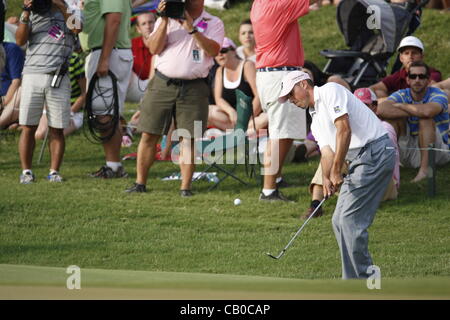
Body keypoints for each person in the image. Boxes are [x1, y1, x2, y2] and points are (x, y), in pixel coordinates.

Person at [279, 70, 395, 279]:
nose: (291, 100)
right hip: (362, 159)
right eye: (287, 98)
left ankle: (363, 281)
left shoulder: (331, 90)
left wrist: (336, 170)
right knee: (338, 220)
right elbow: (327, 153)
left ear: (304, 84)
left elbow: (344, 130)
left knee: (350, 221)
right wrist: (325, 178)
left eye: (291, 94)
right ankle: (353, 280)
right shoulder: (315, 118)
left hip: (375, 153)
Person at [125, 0, 224, 196]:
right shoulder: (167, 20)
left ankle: (185, 187)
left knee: (189, 138)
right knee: (148, 133)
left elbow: (213, 50)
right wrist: (164, 19)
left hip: (194, 87)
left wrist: (191, 28)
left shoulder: (213, 22)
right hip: (163, 83)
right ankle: (140, 183)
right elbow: (153, 48)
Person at [303, 87, 401, 219]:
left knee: (346, 218)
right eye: (357, 103)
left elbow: (378, 159)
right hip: (355, 170)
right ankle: (316, 205)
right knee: (331, 158)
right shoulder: (320, 121)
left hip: (384, 181)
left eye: (365, 104)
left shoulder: (383, 127)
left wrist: (337, 170)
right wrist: (328, 176)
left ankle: (325, 203)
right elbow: (328, 152)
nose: (360, 107)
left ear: (375, 106)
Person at [251, 0, 314, 201]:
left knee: (283, 133)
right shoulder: (276, 4)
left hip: (276, 72)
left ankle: (275, 179)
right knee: (278, 135)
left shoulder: (261, 3)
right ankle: (268, 191)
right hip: (279, 74)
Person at [16, 0, 82, 184]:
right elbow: (20, 40)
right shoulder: (34, 11)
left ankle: (54, 172)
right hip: (32, 74)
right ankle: (26, 171)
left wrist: (61, 5)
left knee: (57, 128)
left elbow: (77, 29)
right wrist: (26, 11)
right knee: (28, 126)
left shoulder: (71, 10)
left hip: (59, 76)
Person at [79, 0, 134, 179]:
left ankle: (114, 166)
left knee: (105, 114)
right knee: (108, 113)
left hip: (109, 53)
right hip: (109, 52)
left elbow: (114, 20)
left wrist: (104, 58)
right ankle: (114, 165)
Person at [377, 61, 450, 183]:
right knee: (392, 121)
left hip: (438, 152)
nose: (417, 80)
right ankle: (388, 169)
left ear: (428, 80)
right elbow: (382, 109)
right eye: (413, 76)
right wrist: (415, 110)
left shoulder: (438, 94)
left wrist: (402, 106)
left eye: (421, 77)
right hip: (410, 150)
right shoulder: (402, 94)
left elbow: (427, 112)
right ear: (408, 80)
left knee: (425, 120)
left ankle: (425, 170)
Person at [207, 37, 261, 132]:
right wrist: (231, 112)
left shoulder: (247, 66)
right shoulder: (220, 70)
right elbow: (218, 99)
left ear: (234, 51)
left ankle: (240, 130)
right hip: (232, 118)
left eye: (223, 50)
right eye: (216, 52)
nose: (219, 55)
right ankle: (240, 131)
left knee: (264, 119)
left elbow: (259, 96)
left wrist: (246, 117)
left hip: (251, 116)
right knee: (209, 111)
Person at [369, 36, 442, 102]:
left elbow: (430, 90)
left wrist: (394, 100)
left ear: (422, 56)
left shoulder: (432, 73)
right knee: (379, 92)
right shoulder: (398, 75)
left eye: (414, 53)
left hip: (426, 112)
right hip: (401, 113)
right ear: (401, 58)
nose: (410, 56)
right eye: (406, 53)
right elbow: (373, 89)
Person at [35, 51, 87, 138]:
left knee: (55, 135)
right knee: (40, 134)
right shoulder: (45, 58)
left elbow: (85, 92)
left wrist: (71, 112)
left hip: (73, 111)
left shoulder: (74, 59)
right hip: (51, 107)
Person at [126, 11, 157, 103]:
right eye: (144, 24)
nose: (148, 26)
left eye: (151, 22)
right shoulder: (131, 45)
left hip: (159, 86)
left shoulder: (167, 42)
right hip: (136, 85)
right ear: (138, 29)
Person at [0, 42, 24, 130]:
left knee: (21, 90)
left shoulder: (11, 49)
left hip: (8, 98)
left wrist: (3, 104)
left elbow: (16, 82)